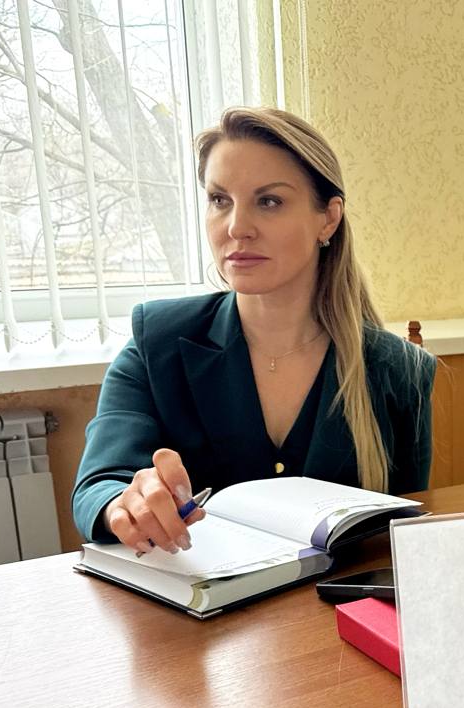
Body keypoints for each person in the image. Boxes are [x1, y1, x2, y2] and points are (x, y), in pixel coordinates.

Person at [72, 107, 435, 553]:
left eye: (269, 201)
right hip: (197, 595)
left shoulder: (399, 369)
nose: (237, 228)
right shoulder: (157, 342)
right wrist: (123, 503)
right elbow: (98, 484)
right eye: (219, 200)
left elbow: (403, 533)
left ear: (328, 218)